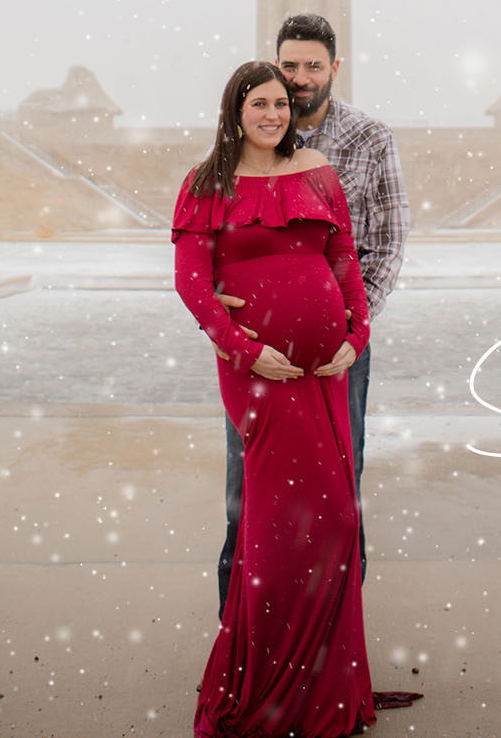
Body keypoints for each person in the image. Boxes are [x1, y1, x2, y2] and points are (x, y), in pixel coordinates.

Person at [172, 61, 415, 736]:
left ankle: (326, 687)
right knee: (275, 532)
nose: (273, 114)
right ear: (235, 109)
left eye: (281, 103)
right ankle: (267, 688)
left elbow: (344, 259)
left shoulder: (317, 171)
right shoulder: (206, 181)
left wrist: (357, 333)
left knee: (335, 519)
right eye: (259, 103)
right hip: (258, 373)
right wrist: (246, 349)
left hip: (325, 368)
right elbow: (192, 280)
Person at [213, 12, 410, 609]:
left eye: (312, 66)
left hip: (338, 356)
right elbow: (209, 242)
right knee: (247, 488)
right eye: (289, 65)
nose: (300, 79)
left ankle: (332, 647)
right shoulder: (245, 140)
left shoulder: (368, 140)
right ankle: (242, 642)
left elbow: (386, 242)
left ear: (334, 69)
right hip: (253, 354)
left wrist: (353, 329)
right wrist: (219, 310)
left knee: (335, 491)